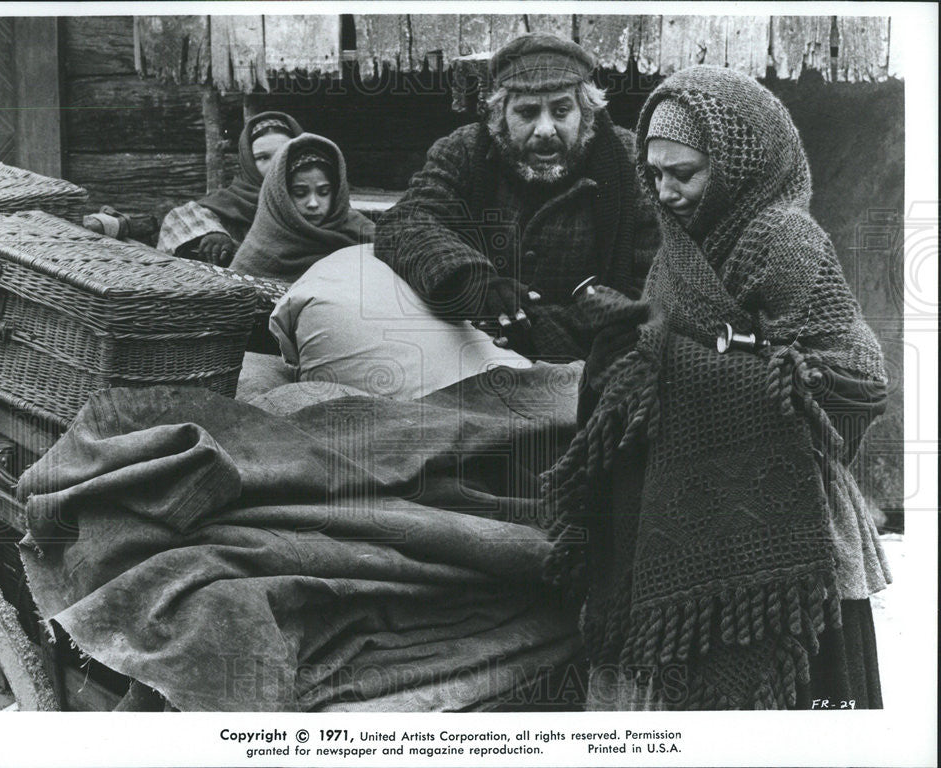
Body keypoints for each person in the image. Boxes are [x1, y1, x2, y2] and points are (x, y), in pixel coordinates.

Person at [544, 66, 890, 710]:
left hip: (787, 519)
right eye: (655, 174)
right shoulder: (678, 249)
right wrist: (631, 338)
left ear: (738, 165)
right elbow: (665, 341)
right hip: (679, 504)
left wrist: (689, 361)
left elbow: (857, 376)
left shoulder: (786, 240)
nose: (666, 192)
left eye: (685, 174)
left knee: (801, 709)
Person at [374, 33, 660, 362]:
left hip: (592, 360)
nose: (545, 129)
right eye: (527, 112)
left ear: (585, 110)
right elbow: (405, 222)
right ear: (500, 113)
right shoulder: (465, 150)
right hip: (470, 350)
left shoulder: (630, 161)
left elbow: (647, 286)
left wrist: (541, 331)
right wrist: (473, 281)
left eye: (561, 110)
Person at [156, 111, 303, 265]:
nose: (275, 165)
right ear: (249, 162)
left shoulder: (312, 201)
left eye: (283, 154)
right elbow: (179, 219)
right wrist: (212, 232)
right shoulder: (231, 201)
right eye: (263, 157)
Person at [228, 133, 374, 279]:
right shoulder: (260, 254)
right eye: (300, 193)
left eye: (323, 192)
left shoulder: (360, 232)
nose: (313, 204)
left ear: (336, 193)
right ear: (281, 196)